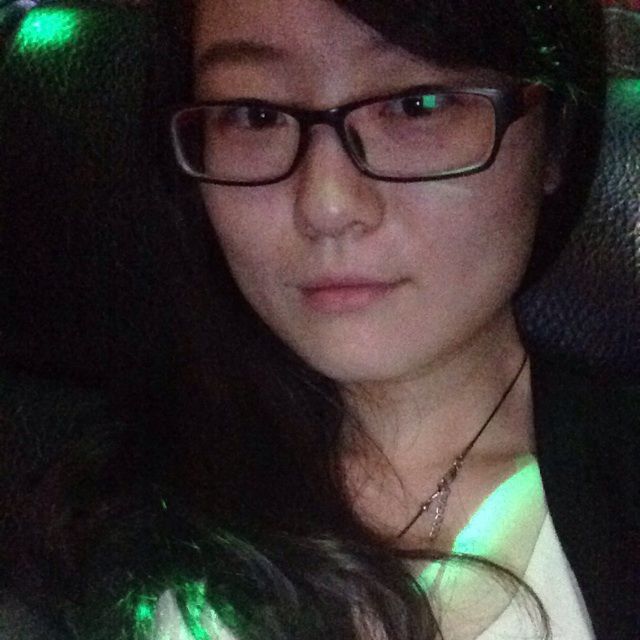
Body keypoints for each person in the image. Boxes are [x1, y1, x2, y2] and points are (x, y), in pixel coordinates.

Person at [0, 1, 637, 639]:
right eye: (254, 115)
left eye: (416, 106)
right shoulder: (87, 502)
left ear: (554, 138)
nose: (327, 206)